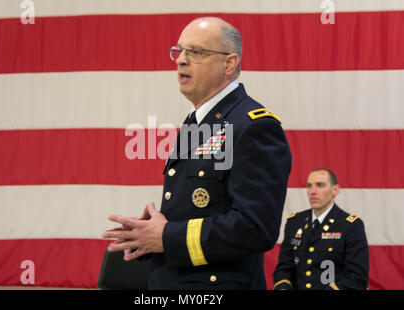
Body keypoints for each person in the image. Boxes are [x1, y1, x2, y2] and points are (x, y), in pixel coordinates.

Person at [102, 17, 292, 289]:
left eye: (196, 52)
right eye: (178, 51)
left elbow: (256, 228)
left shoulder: (254, 125)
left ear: (229, 63)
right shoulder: (198, 121)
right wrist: (150, 231)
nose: (181, 60)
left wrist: (167, 236)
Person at [273, 168, 369, 290]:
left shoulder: (351, 226)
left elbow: (356, 278)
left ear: (335, 190)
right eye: (309, 186)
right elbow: (284, 269)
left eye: (320, 185)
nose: (313, 191)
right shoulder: (295, 222)